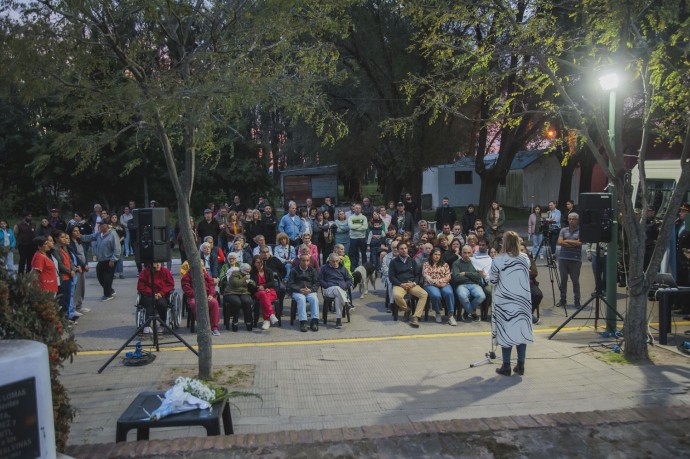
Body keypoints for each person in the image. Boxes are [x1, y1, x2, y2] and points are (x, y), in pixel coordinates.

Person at [489, 231, 534, 376]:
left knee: (506, 331)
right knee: (521, 332)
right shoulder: (525, 258)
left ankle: (506, 366)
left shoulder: (498, 259)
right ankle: (521, 365)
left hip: (505, 302)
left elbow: (492, 281)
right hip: (523, 301)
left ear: (505, 242)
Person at [388, 241, 428, 328]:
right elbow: (391, 277)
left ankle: (416, 316)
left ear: (407, 249)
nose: (404, 250)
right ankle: (407, 309)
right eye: (401, 249)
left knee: (424, 294)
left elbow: (417, 275)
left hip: (411, 284)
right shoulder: (393, 262)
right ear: (398, 250)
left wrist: (413, 283)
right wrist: (401, 284)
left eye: (405, 248)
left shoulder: (412, 261)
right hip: (400, 284)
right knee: (396, 295)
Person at [80, 217, 121, 301]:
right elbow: (89, 237)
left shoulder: (113, 234)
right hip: (101, 259)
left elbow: (117, 249)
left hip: (110, 260)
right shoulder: (99, 234)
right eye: (99, 225)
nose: (99, 227)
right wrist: (80, 236)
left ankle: (107, 295)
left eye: (101, 225)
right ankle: (110, 290)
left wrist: (113, 260)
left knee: (107, 277)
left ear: (107, 226)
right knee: (99, 275)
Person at [181, 264, 221, 336]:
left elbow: (211, 285)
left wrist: (211, 295)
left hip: (207, 296)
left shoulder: (205, 274)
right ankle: (203, 326)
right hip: (194, 296)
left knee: (214, 302)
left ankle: (214, 328)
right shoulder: (186, 276)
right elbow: (187, 290)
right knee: (194, 304)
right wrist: (198, 296)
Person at [137, 262, 175, 334]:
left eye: (159, 263)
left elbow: (170, 284)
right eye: (155, 263)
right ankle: (147, 325)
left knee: (162, 304)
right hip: (148, 295)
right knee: (150, 302)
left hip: (162, 295)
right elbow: (141, 286)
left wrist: (161, 293)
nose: (158, 265)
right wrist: (152, 293)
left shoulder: (165, 271)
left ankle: (162, 324)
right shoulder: (145, 272)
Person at [423, 247, 457, 325]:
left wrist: (440, 282)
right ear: (431, 255)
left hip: (444, 283)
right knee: (436, 295)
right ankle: (438, 313)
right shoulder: (426, 264)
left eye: (439, 255)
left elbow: (448, 276)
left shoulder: (445, 264)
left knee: (449, 293)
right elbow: (427, 276)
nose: (437, 256)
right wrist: (436, 283)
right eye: (435, 254)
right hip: (430, 284)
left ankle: (450, 316)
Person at [319, 252, 353, 329]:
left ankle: (338, 320)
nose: (335, 263)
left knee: (338, 297)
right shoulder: (324, 268)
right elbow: (320, 280)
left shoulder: (343, 268)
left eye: (337, 261)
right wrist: (327, 285)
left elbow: (349, 280)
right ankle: (347, 304)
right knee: (337, 289)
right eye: (333, 261)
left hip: (341, 290)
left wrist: (345, 285)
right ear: (329, 261)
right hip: (329, 289)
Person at [451, 245, 486, 322]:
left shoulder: (475, 262)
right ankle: (471, 311)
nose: (467, 255)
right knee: (462, 296)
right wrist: (472, 276)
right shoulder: (456, 263)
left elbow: (478, 276)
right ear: (461, 253)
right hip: (461, 285)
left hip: (475, 284)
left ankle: (467, 311)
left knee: (481, 296)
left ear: (472, 253)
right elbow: (456, 278)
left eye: (469, 253)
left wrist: (465, 273)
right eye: (465, 253)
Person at [289, 253, 321, 332]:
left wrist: (311, 290)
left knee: (314, 299)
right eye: (303, 261)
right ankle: (303, 322)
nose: (305, 263)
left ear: (309, 261)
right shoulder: (294, 270)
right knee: (301, 299)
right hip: (298, 291)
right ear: (300, 261)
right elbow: (290, 284)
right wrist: (299, 289)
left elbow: (316, 283)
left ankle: (314, 321)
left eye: (307, 261)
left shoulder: (312, 270)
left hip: (309, 291)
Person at [558, 212, 582, 308]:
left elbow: (579, 243)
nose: (571, 221)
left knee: (575, 280)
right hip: (563, 258)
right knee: (563, 279)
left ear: (577, 220)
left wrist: (566, 241)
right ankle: (562, 300)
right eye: (570, 219)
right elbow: (559, 242)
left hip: (575, 260)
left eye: (573, 219)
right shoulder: (563, 230)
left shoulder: (581, 230)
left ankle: (577, 301)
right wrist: (572, 243)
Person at [250, 255, 279, 330]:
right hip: (258, 292)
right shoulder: (252, 272)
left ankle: (267, 320)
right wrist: (260, 288)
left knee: (264, 298)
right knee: (263, 294)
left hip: (269, 291)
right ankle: (271, 315)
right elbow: (251, 285)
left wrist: (265, 287)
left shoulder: (268, 270)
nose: (259, 264)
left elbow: (272, 282)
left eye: (260, 262)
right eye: (257, 262)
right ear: (254, 263)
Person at [223, 263, 255, 332]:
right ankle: (235, 321)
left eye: (249, 271)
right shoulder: (235, 274)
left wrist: (251, 282)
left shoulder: (247, 275)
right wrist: (245, 279)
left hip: (243, 292)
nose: (248, 273)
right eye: (246, 271)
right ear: (242, 270)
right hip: (231, 292)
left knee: (247, 302)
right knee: (237, 302)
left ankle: (248, 321)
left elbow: (253, 284)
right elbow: (236, 284)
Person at [520, 241, 543, 325]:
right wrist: (526, 270)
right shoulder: (514, 260)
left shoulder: (530, 260)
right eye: (519, 250)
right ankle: (528, 315)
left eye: (522, 250)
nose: (521, 252)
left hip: (530, 283)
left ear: (525, 250)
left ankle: (528, 313)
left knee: (538, 294)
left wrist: (523, 272)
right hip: (518, 284)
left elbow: (534, 273)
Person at [68, 226, 89, 314]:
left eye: (78, 230)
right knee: (77, 288)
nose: (78, 232)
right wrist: (83, 265)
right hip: (78, 267)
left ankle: (79, 305)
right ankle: (74, 307)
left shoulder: (80, 241)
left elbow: (84, 253)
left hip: (83, 267)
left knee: (82, 287)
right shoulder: (70, 243)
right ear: (71, 233)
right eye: (75, 231)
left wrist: (87, 263)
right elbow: (75, 256)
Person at [348, 204, 368, 270]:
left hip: (362, 237)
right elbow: (351, 227)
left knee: (363, 253)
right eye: (356, 208)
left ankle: (365, 267)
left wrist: (355, 227)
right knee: (353, 253)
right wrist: (360, 225)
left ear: (361, 209)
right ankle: (354, 267)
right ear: (354, 209)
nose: (357, 209)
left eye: (359, 208)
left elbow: (365, 227)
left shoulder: (364, 217)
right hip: (353, 238)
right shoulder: (350, 217)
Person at [110, 213, 126, 279]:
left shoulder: (121, 226)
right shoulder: (109, 226)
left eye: (115, 217)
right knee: (113, 259)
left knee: (120, 259)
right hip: (111, 245)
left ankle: (121, 273)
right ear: (111, 219)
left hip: (120, 244)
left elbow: (125, 235)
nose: (114, 219)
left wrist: (119, 241)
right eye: (113, 217)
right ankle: (113, 273)